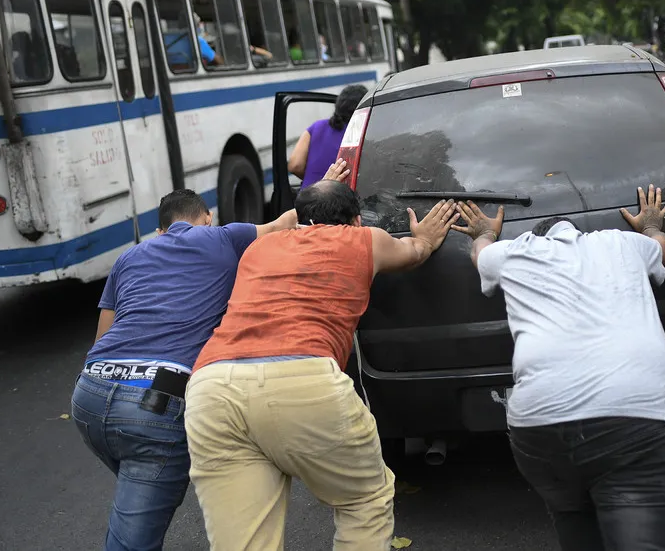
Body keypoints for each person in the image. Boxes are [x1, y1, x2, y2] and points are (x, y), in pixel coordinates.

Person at [183, 173, 459, 551]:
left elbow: (288, 224)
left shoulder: (259, 249)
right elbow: (415, 252)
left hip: (211, 387)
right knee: (364, 500)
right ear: (357, 220)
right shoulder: (365, 240)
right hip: (302, 377)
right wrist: (425, 236)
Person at [452, 189, 665, 551]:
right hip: (638, 419)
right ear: (578, 232)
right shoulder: (622, 242)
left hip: (539, 425)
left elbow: (480, 254)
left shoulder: (514, 252)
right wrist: (652, 223)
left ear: (537, 236)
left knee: (574, 521)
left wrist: (485, 232)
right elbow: (664, 246)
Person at [70, 189, 298, 551]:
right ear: (207, 216)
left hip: (90, 395)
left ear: (160, 231)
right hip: (155, 407)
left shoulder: (128, 257)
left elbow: (103, 336)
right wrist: (327, 179)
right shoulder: (224, 236)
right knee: (134, 530)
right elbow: (285, 223)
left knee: (135, 492)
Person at [288, 84, 369, 188]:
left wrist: (318, 182)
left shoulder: (316, 127)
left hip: (307, 198)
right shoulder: (364, 132)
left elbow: (295, 166)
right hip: (339, 200)